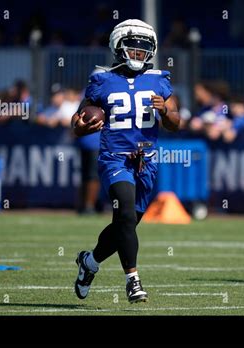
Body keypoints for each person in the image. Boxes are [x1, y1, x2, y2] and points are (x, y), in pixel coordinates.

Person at [71, 19, 180, 303]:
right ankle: (133, 280)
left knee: (125, 223)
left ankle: (89, 263)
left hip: (147, 163)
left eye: (143, 50)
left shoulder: (159, 79)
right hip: (114, 159)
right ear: (118, 48)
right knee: (126, 216)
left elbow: (176, 123)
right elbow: (76, 121)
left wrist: (166, 110)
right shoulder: (102, 80)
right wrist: (84, 127)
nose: (138, 54)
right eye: (132, 49)